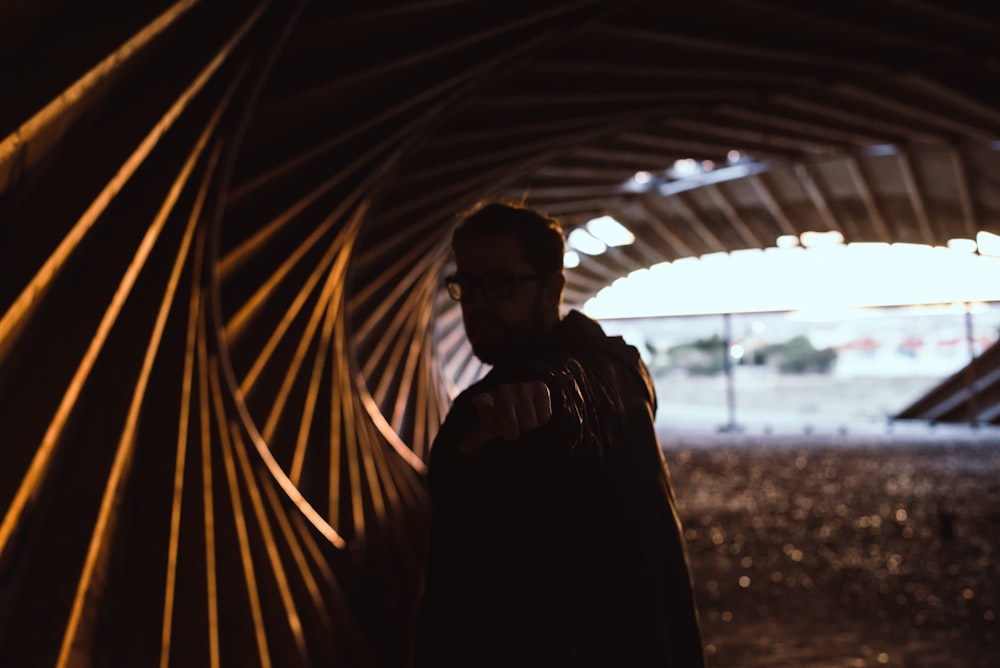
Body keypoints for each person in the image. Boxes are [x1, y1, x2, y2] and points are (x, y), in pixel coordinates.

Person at [412, 199, 705, 667]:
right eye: (467, 283)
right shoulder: (489, 404)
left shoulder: (606, 369)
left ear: (552, 289)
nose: (480, 301)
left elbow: (588, 390)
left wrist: (550, 395)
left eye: (501, 282)